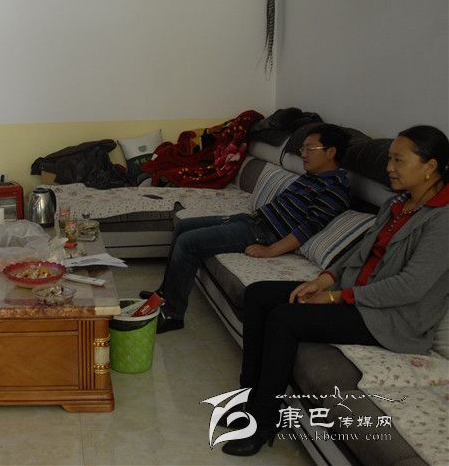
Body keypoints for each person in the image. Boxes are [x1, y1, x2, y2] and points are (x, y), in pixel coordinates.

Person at [222, 125, 449, 456]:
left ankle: (264, 421)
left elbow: (410, 287)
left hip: (391, 317)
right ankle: (247, 399)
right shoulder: (396, 203)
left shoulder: (442, 219)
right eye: (389, 159)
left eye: (399, 160)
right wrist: (323, 280)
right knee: (258, 294)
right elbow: (358, 254)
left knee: (285, 318)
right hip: (357, 294)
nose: (389, 168)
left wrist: (336, 297)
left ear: (430, 166)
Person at [140, 123, 352, 333]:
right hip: (253, 219)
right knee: (184, 226)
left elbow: (308, 228)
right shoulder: (311, 176)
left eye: (310, 149)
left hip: (262, 234)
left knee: (188, 242)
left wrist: (270, 250)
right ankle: (164, 295)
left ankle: (173, 314)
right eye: (302, 148)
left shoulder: (335, 189)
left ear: (331, 152)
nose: (303, 154)